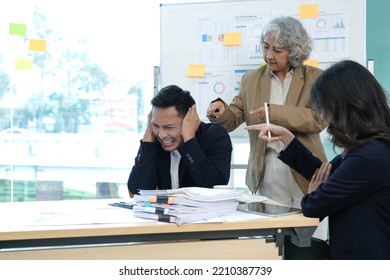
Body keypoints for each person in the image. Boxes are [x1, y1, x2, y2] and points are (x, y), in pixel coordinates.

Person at [245, 60, 390, 260]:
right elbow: (326, 174)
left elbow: (316, 204)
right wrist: (288, 139)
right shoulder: (370, 146)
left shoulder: (369, 155)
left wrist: (313, 194)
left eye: (326, 108)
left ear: (344, 106)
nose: (325, 117)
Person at [206, 16, 327, 208]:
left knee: (309, 230)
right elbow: (235, 114)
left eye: (277, 50)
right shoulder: (250, 79)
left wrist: (273, 112)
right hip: (267, 165)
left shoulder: (317, 78)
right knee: (275, 231)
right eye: (265, 47)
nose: (269, 55)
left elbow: (318, 120)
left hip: (305, 165)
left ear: (294, 51)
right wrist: (220, 112)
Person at [127, 85, 232, 195]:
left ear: (189, 120)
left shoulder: (215, 136)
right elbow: (137, 191)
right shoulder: (155, 140)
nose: (161, 135)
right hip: (166, 211)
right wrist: (148, 138)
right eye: (156, 125)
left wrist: (189, 140)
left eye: (169, 127)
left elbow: (214, 188)